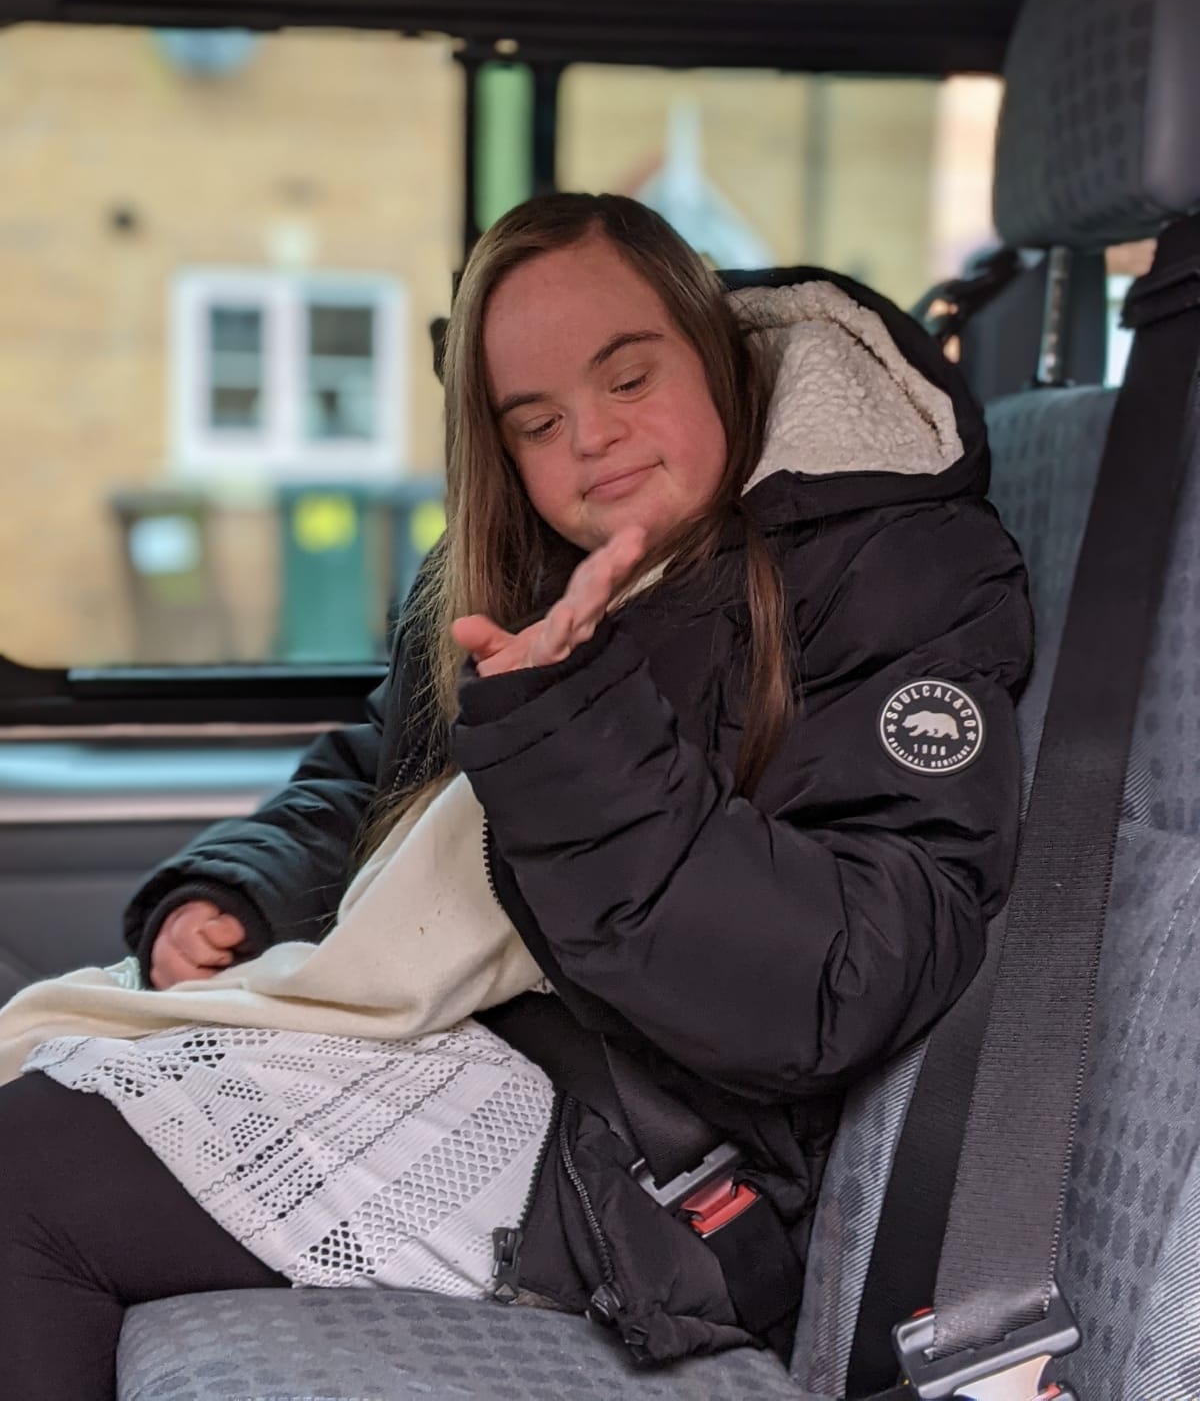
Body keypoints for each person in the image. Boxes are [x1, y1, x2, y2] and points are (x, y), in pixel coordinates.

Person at [0, 193, 1033, 1399]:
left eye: (629, 378)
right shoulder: (514, 564)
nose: (591, 438)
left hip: (652, 1144)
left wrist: (575, 729)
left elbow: (843, 978)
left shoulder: (895, 564)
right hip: (470, 1031)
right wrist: (245, 888)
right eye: (538, 421)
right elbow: (380, 776)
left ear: (719, 354)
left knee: (22, 1180)